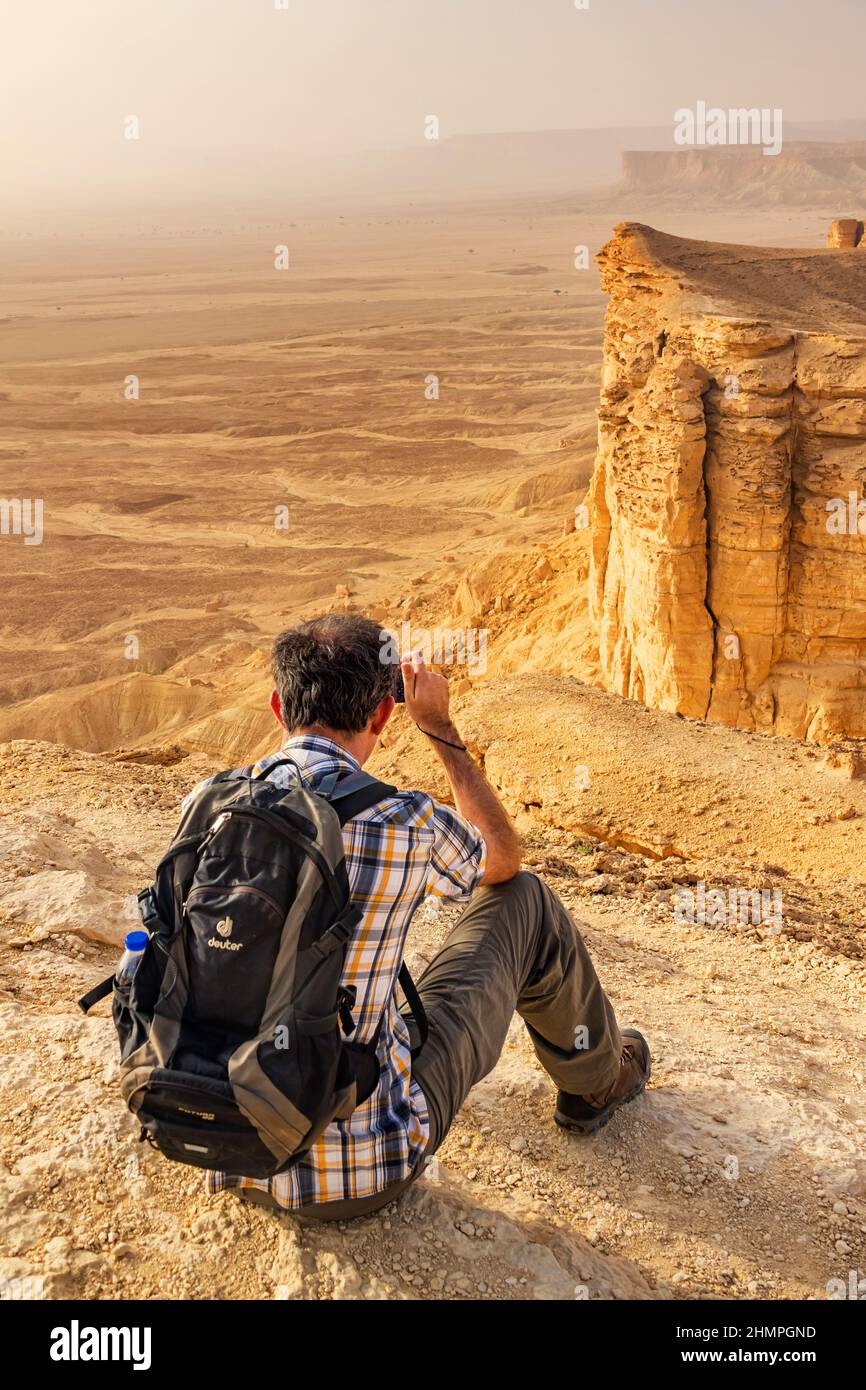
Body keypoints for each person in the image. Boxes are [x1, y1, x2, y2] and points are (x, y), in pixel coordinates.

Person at [200, 613, 650, 1220]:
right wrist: (438, 726)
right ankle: (595, 1084)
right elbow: (503, 857)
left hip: (221, 1147)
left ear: (278, 708)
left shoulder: (207, 807)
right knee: (526, 901)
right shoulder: (402, 821)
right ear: (383, 716)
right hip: (359, 1176)